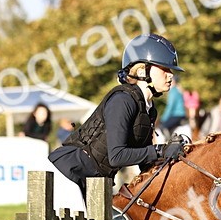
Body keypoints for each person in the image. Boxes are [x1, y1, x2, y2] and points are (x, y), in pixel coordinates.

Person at [48, 33, 186, 199]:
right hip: (69, 174)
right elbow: (117, 156)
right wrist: (160, 150)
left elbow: (144, 162)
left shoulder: (149, 109)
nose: (170, 75)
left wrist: (173, 158)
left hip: (96, 181)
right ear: (142, 70)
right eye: (164, 69)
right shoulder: (123, 100)